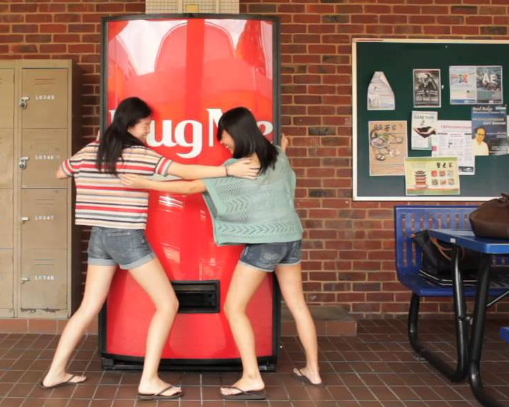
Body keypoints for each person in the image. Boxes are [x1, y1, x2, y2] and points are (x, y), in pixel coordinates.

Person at [40, 97, 258, 401]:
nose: (150, 129)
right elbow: (184, 171)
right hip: (127, 237)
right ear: (131, 124)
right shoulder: (139, 155)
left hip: (100, 237)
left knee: (89, 306)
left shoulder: (92, 150)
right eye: (146, 124)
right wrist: (229, 172)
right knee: (168, 304)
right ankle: (150, 380)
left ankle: (55, 372)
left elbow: (60, 173)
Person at [122, 107, 322, 401]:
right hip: (291, 237)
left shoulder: (242, 166)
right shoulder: (278, 154)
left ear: (237, 132)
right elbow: (282, 151)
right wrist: (284, 145)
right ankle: (313, 370)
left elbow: (191, 187)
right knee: (298, 305)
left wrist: (144, 184)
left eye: (224, 136)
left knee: (233, 308)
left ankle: (252, 377)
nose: (222, 142)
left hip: (265, 242)